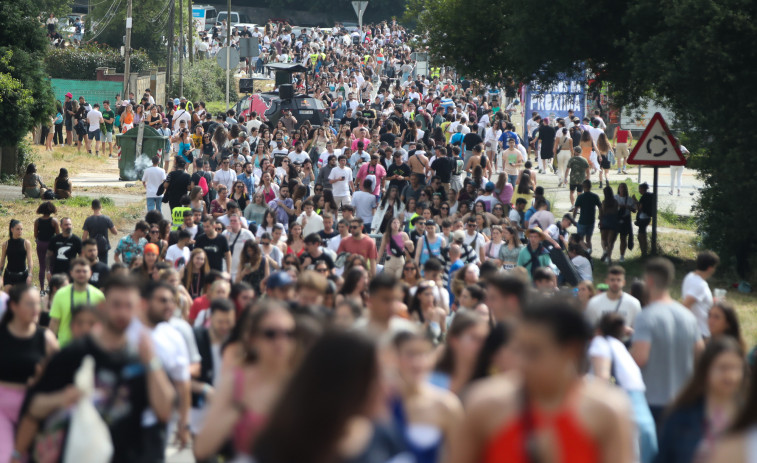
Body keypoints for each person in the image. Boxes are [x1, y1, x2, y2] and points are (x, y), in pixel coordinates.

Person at [449, 299, 633, 463]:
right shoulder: (485, 405)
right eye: (519, 350)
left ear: (571, 350)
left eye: (534, 352)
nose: (521, 362)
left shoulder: (605, 411)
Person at [21, 275, 175, 463]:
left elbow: (164, 411)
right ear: (102, 307)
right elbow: (34, 407)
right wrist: (61, 399)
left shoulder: (142, 359)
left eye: (129, 306)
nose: (122, 313)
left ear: (139, 308)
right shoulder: (75, 353)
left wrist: (151, 361)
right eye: (116, 305)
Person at [253, 330, 410, 463]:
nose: (388, 387)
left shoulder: (386, 438)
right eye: (376, 377)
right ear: (345, 383)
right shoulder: (281, 446)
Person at [194, 302, 296, 461]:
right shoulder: (236, 381)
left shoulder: (303, 382)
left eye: (288, 333)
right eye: (270, 334)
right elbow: (202, 448)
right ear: (253, 339)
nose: (280, 341)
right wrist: (238, 408)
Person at [631, 258, 705, 430]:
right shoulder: (687, 316)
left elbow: (640, 358)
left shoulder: (646, 316)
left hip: (653, 402)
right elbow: (701, 354)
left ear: (649, 281)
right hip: (683, 402)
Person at [656, 337, 745, 463]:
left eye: (735, 368)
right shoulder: (681, 417)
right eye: (723, 368)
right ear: (706, 371)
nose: (730, 375)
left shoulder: (748, 417)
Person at [0, 285, 58, 463]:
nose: (36, 309)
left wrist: (43, 379)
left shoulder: (46, 338)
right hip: (2, 407)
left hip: (34, 407)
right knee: (6, 456)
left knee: (27, 457)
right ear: (13, 306)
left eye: (37, 304)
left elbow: (61, 372)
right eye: (29, 304)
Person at [590, 313, 657, 463]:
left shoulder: (600, 343)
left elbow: (602, 377)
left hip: (626, 419)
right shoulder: (621, 348)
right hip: (645, 420)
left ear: (598, 331)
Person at [391, 330, 464, 463]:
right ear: (395, 357)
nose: (417, 363)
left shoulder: (447, 405)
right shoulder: (380, 402)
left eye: (424, 354)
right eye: (410, 354)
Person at [49, 257, 105, 347]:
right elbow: (54, 322)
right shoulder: (60, 294)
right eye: (78, 271)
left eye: (84, 271)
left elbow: (103, 324)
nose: (81, 274)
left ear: (90, 273)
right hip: (65, 347)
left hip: (91, 347)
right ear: (71, 273)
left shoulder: (99, 296)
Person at [682, 250, 720, 339]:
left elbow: (696, 301)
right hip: (700, 332)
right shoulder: (700, 285)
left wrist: (711, 301)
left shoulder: (690, 276)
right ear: (710, 268)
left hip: (695, 331)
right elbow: (686, 305)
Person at [81, 199, 118, 264]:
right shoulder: (106, 218)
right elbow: (115, 232)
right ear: (101, 206)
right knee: (103, 267)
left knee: (91, 266)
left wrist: (83, 249)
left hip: (92, 247)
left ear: (92, 208)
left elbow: (84, 237)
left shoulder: (88, 220)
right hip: (103, 246)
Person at [34, 201, 60, 290]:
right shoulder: (54, 221)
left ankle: (41, 288)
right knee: (51, 266)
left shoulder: (37, 221)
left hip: (41, 244)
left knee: (42, 266)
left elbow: (35, 235)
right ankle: (50, 286)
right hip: (51, 245)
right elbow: (58, 234)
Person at [1, 220, 33, 290]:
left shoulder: (26, 243)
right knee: (9, 298)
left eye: (21, 229)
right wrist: (0, 275)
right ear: (12, 229)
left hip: (22, 276)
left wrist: (30, 275)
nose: (20, 231)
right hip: (9, 275)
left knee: (21, 299)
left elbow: (30, 260)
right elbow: (2, 261)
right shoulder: (5, 244)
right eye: (18, 229)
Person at [223, 214, 255, 281]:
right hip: (227, 270)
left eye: (235, 221)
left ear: (240, 222)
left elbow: (255, 249)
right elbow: (222, 250)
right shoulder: (225, 233)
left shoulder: (247, 234)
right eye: (231, 221)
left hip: (241, 270)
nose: (233, 223)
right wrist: (228, 235)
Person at [572, 179, 602, 252]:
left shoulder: (580, 197)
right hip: (591, 221)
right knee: (588, 240)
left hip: (582, 221)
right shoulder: (595, 196)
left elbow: (575, 209)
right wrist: (600, 218)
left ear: (583, 187)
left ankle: (583, 252)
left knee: (580, 239)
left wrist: (573, 219)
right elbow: (600, 208)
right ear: (590, 186)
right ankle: (589, 253)